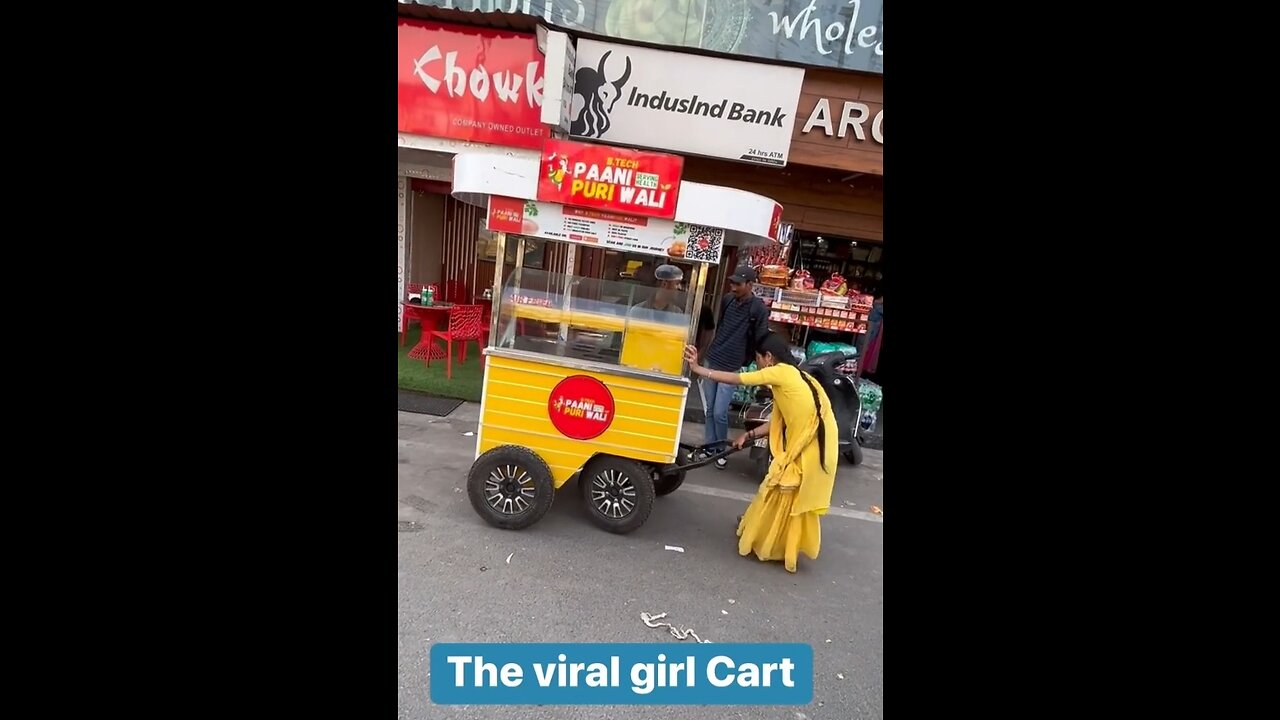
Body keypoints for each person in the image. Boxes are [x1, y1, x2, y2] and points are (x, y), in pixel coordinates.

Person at [683, 333, 839, 573]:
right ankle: (758, 531)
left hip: (809, 450)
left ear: (768, 358)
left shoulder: (781, 372)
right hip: (818, 446)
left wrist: (697, 369)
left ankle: (770, 546)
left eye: (757, 359)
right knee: (779, 492)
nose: (756, 364)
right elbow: (780, 421)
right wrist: (750, 435)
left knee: (780, 491)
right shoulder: (798, 376)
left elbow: (738, 379)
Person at [698, 266, 770, 469]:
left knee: (720, 411)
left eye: (738, 284)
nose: (733, 287)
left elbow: (760, 338)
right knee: (710, 409)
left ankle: (721, 450)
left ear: (750, 285)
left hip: (732, 366)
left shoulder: (758, 309)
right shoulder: (728, 300)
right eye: (732, 283)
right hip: (714, 358)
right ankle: (709, 446)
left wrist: (760, 367)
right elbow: (720, 327)